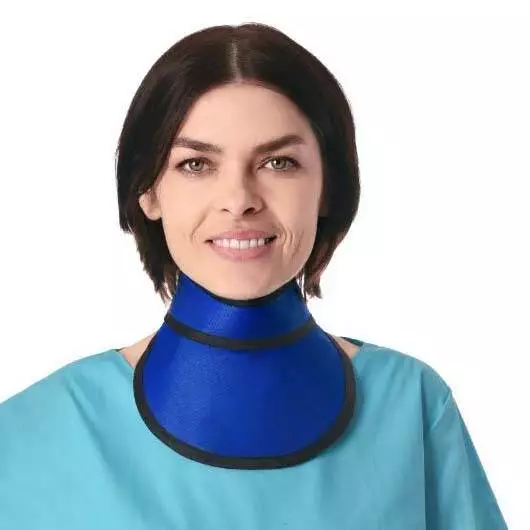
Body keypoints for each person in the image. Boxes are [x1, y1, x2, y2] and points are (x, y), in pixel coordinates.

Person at [0, 22, 508, 529]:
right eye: (196, 164)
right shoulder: (33, 432)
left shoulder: (411, 405)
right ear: (148, 191)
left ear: (328, 186)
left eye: (278, 162)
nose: (239, 199)